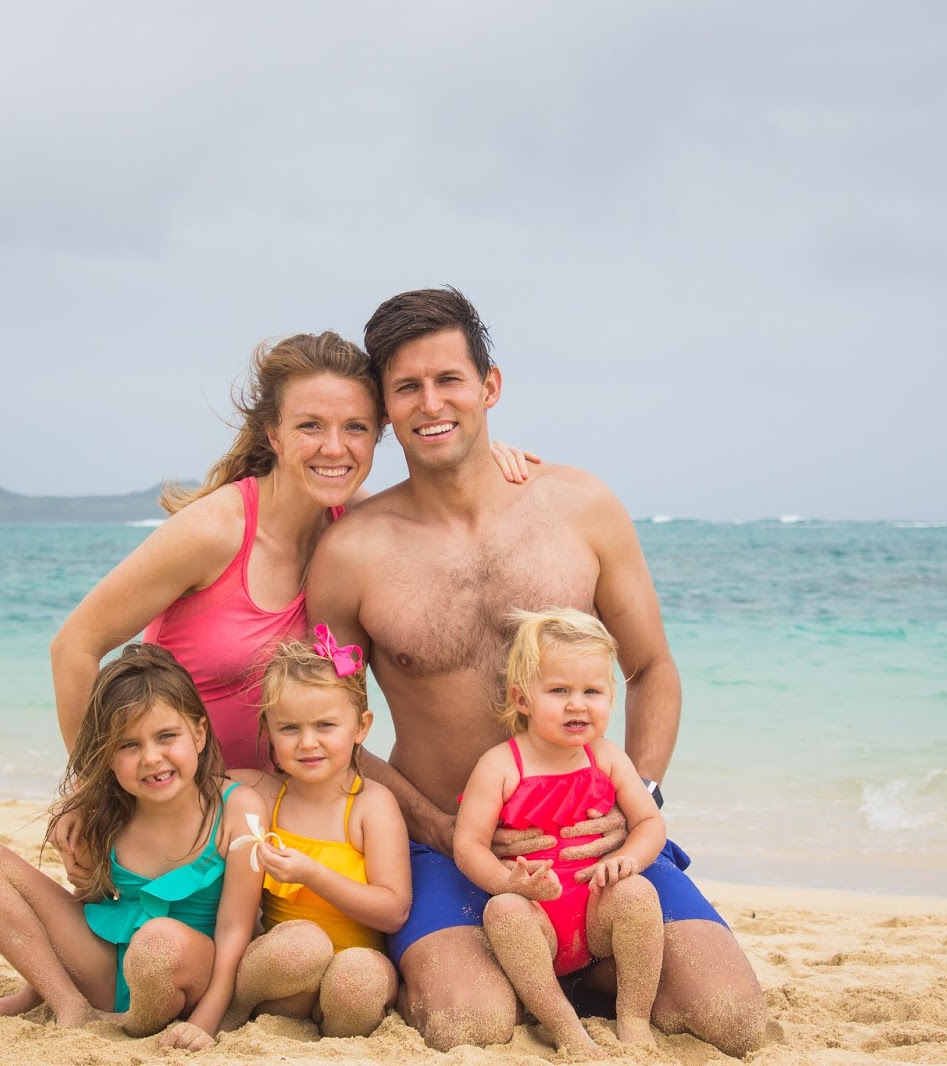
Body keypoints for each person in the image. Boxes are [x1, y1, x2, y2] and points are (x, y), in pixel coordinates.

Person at [305, 286, 765, 1055]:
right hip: (446, 848)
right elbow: (331, 730)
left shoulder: (581, 507)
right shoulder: (351, 552)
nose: (431, 403)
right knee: (472, 1026)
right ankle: (485, 972)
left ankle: (572, 968)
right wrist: (442, 830)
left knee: (731, 1018)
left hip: (593, 843)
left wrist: (639, 801)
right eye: (407, 387)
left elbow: (652, 668)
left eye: (449, 379)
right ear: (385, 410)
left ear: (490, 385)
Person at [47, 331, 530, 879]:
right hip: (178, 823)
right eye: (310, 426)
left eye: (356, 427)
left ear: (379, 434)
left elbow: (443, 511)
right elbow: (74, 646)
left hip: (288, 829)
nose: (335, 448)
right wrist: (92, 794)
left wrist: (486, 460)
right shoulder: (214, 532)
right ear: (273, 434)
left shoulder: (358, 530)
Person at [0, 644, 265, 1050]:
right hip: (110, 973)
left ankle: (136, 1021)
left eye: (166, 736)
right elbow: (91, 907)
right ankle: (68, 1006)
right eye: (128, 745)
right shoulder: (105, 813)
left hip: (188, 976)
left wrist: (205, 1023)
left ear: (199, 733)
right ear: (107, 755)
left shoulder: (238, 809)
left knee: (157, 939)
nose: (151, 758)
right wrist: (36, 989)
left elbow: (235, 930)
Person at [453, 608, 665, 1058]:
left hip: (596, 912)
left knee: (638, 892)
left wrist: (626, 858)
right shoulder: (501, 765)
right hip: (536, 920)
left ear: (610, 698)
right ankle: (563, 1025)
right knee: (503, 911)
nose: (577, 704)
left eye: (593, 691)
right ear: (522, 699)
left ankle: (634, 1018)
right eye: (559, 690)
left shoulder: (607, 757)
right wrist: (508, 883)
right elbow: (468, 845)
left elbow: (649, 823)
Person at [222, 625, 411, 1037]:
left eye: (325, 725)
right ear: (268, 730)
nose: (308, 743)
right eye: (289, 728)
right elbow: (186, 786)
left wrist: (312, 875)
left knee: (358, 979)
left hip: (355, 968)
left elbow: (393, 912)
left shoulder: (371, 805)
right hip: (287, 976)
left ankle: (337, 1038)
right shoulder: (262, 793)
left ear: (361, 727)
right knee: (302, 946)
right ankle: (236, 1009)